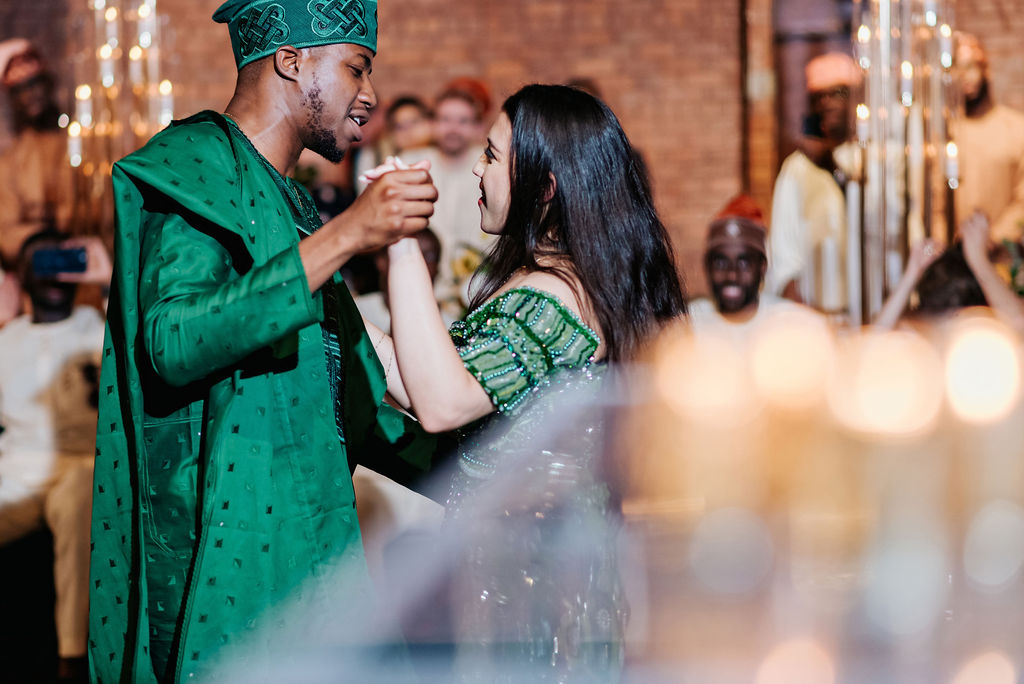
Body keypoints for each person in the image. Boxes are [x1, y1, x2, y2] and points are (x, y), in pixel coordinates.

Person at [87, 1, 439, 680]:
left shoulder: (292, 202)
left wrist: (495, 467)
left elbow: (351, 405)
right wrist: (350, 235)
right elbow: (174, 340)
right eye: (356, 68)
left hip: (310, 541)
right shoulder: (196, 166)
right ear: (291, 60)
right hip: (223, 551)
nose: (369, 97)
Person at [362, 84, 686, 678]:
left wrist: (402, 244)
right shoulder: (556, 280)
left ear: (544, 187)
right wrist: (329, 272)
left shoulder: (556, 297)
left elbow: (438, 402)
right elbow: (422, 378)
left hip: (533, 585)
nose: (478, 173)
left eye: (491, 156)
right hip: (514, 569)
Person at [0, 228, 105, 683]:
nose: (51, 271)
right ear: (22, 274)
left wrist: (107, 281)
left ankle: (71, 658)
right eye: (40, 261)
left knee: (82, 493)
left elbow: (149, 342)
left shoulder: (100, 325)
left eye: (62, 260)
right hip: (16, 471)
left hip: (82, 469)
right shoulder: (6, 341)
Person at [767, 52, 862, 311]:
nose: (828, 103)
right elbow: (784, 250)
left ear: (857, 97)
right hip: (819, 316)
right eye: (819, 97)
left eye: (838, 93)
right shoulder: (798, 167)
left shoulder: (879, 159)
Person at [689, 194, 808, 341]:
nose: (732, 275)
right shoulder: (688, 325)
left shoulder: (792, 324)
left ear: (763, 267)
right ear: (706, 266)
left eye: (744, 263)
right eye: (721, 263)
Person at [0, 39, 75, 268]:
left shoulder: (76, 143)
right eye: (21, 90)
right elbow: (6, 231)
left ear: (47, 85)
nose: (30, 95)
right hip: (35, 272)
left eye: (34, 85)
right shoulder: (11, 161)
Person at [943, 33, 1024, 244]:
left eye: (970, 67)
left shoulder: (1016, 128)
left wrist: (993, 239)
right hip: (954, 257)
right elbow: (936, 202)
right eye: (957, 68)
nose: (964, 77)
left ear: (986, 70)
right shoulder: (945, 132)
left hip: (1001, 257)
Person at [429, 78, 496, 302]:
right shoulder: (414, 164)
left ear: (477, 126)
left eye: (463, 121)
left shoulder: (492, 169)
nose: (453, 129)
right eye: (445, 119)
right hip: (426, 288)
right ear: (433, 123)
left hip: (481, 289)